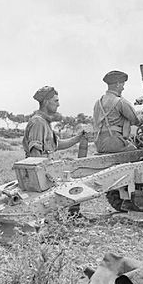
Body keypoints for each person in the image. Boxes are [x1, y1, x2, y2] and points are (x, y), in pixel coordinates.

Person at [23, 86, 86, 216]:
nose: (58, 104)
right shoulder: (38, 122)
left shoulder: (45, 122)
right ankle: (72, 216)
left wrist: (78, 138)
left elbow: (56, 145)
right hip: (41, 172)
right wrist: (44, 177)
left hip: (46, 169)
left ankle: (72, 215)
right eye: (56, 101)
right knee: (74, 183)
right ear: (46, 102)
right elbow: (35, 154)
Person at [93, 70, 142, 153]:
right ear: (118, 84)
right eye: (123, 84)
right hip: (114, 142)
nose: (123, 88)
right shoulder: (120, 102)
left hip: (99, 144)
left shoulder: (98, 103)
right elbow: (135, 121)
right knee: (137, 152)